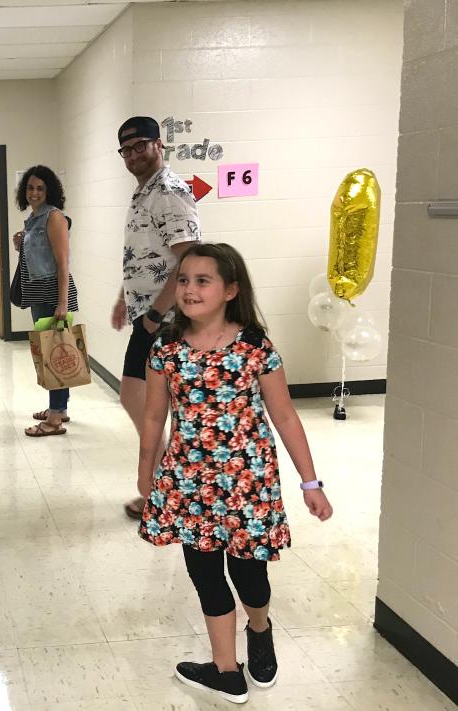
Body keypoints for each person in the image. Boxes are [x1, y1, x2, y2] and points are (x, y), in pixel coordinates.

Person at [138, 243, 333, 704]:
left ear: (231, 290)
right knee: (204, 574)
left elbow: (285, 416)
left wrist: (310, 482)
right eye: (183, 280)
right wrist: (146, 472)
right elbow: (152, 417)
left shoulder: (255, 348)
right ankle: (227, 670)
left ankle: (260, 629)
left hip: (249, 484)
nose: (188, 289)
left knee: (250, 576)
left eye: (202, 281)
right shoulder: (165, 348)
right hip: (189, 481)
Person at [113, 116, 202, 520]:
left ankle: (169, 492)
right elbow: (146, 258)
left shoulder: (168, 192)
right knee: (136, 396)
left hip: (168, 320)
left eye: (139, 146)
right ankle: (167, 484)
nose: (132, 155)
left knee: (156, 405)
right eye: (126, 150)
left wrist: (154, 313)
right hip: (147, 316)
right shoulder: (144, 193)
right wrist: (123, 299)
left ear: (158, 145)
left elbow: (189, 260)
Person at [11, 165, 79, 437]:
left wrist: (62, 302)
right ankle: (59, 408)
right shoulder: (33, 218)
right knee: (55, 350)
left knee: (54, 354)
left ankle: (53, 420)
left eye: (40, 188)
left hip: (52, 293)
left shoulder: (54, 217)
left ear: (49, 190)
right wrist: (20, 244)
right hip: (38, 292)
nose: (34, 192)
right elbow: (38, 255)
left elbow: (63, 263)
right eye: (30, 188)